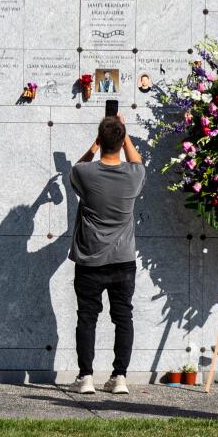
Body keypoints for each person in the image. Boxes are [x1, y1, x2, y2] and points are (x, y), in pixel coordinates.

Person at [67, 115, 145, 394]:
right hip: (123, 261)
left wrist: (93, 146)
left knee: (87, 317)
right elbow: (136, 160)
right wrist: (125, 135)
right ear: (122, 141)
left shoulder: (84, 174)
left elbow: (78, 165)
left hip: (89, 261)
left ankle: (85, 376)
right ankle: (119, 376)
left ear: (100, 141)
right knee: (123, 317)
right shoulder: (134, 176)